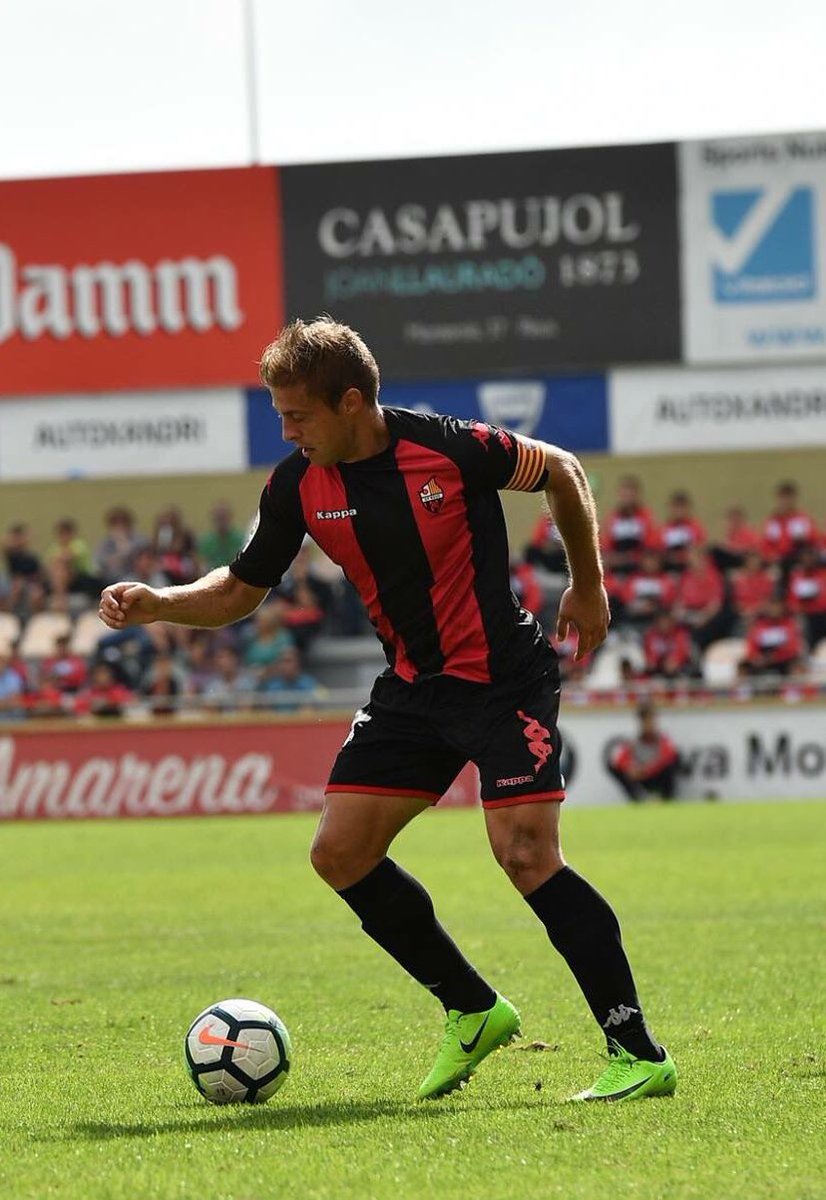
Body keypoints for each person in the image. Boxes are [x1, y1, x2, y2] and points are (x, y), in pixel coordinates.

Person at [99, 316, 676, 1104]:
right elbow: (239, 588)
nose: (286, 429)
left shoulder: (449, 447)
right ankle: (473, 1010)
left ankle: (636, 1051)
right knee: (339, 853)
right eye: (279, 415)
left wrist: (589, 583)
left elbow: (563, 471)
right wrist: (162, 603)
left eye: (297, 415)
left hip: (503, 680)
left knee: (526, 854)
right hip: (412, 691)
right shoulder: (297, 484)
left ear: (349, 402)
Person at [607, 705, 679, 802]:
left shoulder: (662, 740)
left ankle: (666, 799)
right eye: (645, 721)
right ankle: (637, 798)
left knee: (674, 760)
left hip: (657, 777)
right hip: (641, 779)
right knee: (613, 767)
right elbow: (619, 761)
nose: (649, 724)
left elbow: (667, 757)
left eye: (651, 720)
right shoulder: (634, 743)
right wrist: (629, 769)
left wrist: (645, 771)